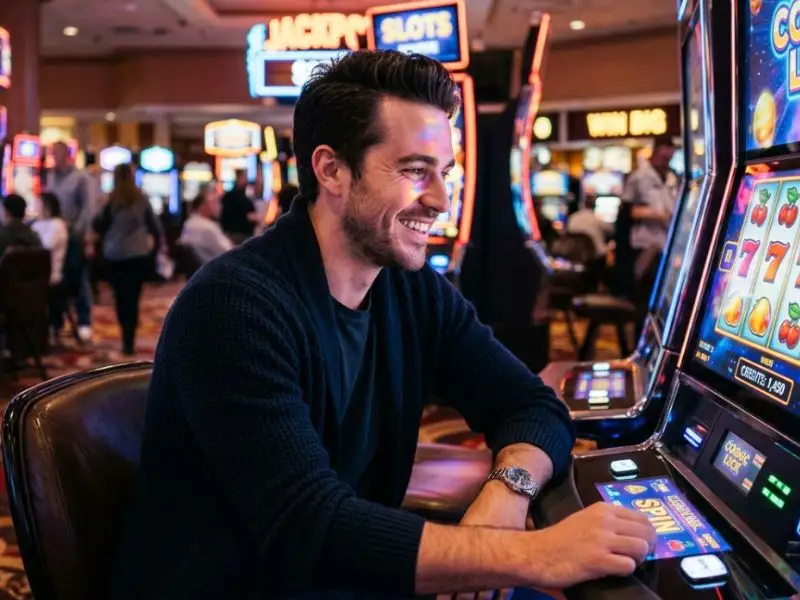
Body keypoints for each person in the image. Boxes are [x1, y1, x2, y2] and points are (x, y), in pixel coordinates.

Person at [112, 51, 655, 600]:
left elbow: (533, 406)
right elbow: (310, 528)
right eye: (416, 171)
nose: (441, 200)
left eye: (444, 173)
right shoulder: (232, 306)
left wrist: (505, 495)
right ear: (331, 170)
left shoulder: (407, 287)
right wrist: (537, 554)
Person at [94, 163, 161, 356]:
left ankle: (125, 335)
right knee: (133, 299)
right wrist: (153, 253)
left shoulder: (110, 201)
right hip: (138, 255)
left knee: (121, 299)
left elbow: (99, 226)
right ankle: (129, 339)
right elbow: (155, 228)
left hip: (115, 255)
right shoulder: (142, 199)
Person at [46, 141, 97, 342]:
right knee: (57, 279)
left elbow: (88, 209)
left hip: (75, 237)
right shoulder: (51, 177)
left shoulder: (81, 178)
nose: (54, 158)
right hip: (56, 235)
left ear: (67, 155)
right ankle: (56, 323)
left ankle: (84, 321)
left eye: (56, 154)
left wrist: (81, 233)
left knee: (79, 280)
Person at [179, 183, 233, 264]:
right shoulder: (207, 227)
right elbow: (229, 252)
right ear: (202, 206)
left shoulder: (190, 222)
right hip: (216, 270)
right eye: (214, 202)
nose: (219, 206)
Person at [220, 169, 259, 244]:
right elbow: (249, 215)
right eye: (244, 177)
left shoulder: (243, 196)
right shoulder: (233, 196)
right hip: (237, 235)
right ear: (238, 178)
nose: (246, 180)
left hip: (242, 234)